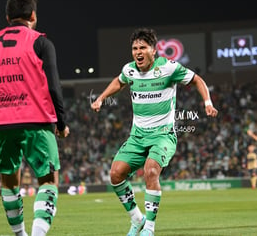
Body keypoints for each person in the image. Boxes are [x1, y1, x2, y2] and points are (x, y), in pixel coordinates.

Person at [91, 28, 218, 236]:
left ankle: (149, 228)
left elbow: (197, 79)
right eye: (134, 48)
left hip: (163, 135)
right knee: (115, 174)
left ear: (153, 50)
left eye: (142, 48)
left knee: (151, 171)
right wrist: (101, 98)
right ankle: (137, 219)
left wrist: (207, 102)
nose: (137, 52)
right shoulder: (130, 70)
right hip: (137, 136)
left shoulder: (168, 68)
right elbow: (119, 81)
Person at [0, 0, 70, 236]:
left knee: (9, 182)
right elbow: (54, 86)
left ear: (7, 17)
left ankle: (20, 235)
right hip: (36, 122)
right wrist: (61, 122)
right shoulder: (41, 43)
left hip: (0, 125)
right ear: (33, 15)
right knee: (48, 181)